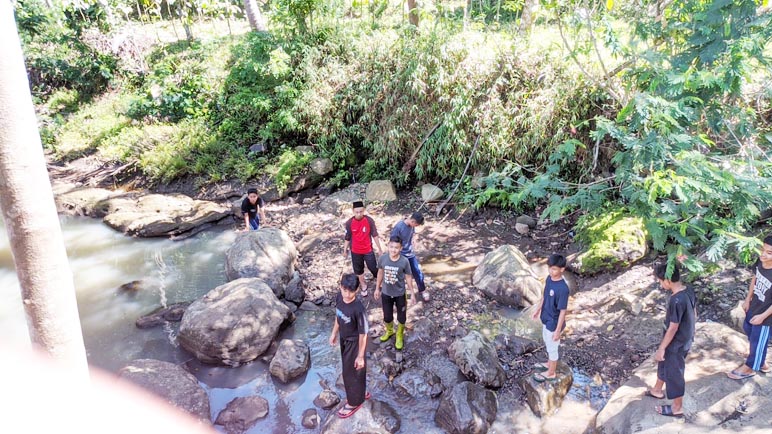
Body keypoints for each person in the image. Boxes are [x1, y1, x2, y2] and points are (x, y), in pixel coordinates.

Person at [646, 262, 696, 418]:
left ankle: (677, 407)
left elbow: (673, 327)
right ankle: (657, 389)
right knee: (664, 363)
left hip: (676, 342)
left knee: (675, 373)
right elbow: (694, 312)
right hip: (684, 337)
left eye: (660, 281)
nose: (660, 284)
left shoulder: (676, 300)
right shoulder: (688, 290)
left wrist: (662, 347)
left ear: (667, 280)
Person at [727, 234, 772, 380]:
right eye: (762, 250)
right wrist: (748, 299)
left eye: (769, 253)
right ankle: (761, 361)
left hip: (766, 316)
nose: (763, 255)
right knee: (750, 332)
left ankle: (750, 368)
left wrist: (763, 316)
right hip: (754, 306)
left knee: (758, 338)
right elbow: (755, 278)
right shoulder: (761, 263)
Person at [329, 273, 369, 418]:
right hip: (344, 339)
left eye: (350, 291)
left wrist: (360, 356)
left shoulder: (358, 309)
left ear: (356, 290)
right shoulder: (339, 298)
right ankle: (361, 392)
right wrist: (334, 333)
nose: (347, 294)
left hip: (355, 344)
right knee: (354, 370)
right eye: (344, 290)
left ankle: (354, 402)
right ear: (340, 287)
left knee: (349, 372)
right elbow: (338, 315)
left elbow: (363, 333)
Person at [530, 253, 570, 382]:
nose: (551, 271)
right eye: (550, 268)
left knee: (552, 348)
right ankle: (548, 364)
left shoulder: (563, 289)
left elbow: (563, 311)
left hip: (554, 323)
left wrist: (558, 331)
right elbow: (545, 296)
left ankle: (551, 373)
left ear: (562, 269)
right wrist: (538, 310)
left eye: (554, 269)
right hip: (546, 318)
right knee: (547, 342)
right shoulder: (549, 279)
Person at [374, 236, 416, 351]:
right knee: (387, 316)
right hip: (386, 293)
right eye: (391, 247)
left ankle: (399, 335)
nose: (393, 250)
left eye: (396, 248)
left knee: (401, 317)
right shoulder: (383, 259)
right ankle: (389, 331)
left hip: (399, 294)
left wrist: (412, 293)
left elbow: (408, 277)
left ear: (401, 248)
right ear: (388, 246)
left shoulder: (404, 261)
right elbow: (380, 273)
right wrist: (377, 288)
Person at [343, 201, 383, 297]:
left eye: (361, 211)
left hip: (368, 249)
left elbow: (374, 234)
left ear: (364, 210)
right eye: (357, 212)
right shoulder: (349, 223)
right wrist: (345, 250)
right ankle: (363, 285)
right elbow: (347, 237)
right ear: (353, 211)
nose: (359, 214)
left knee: (373, 267)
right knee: (358, 270)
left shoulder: (369, 221)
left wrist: (379, 248)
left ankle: (379, 282)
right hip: (355, 251)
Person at [390, 212, 429, 302]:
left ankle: (422, 289)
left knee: (417, 271)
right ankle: (399, 294)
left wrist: (414, 239)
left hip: (410, 253)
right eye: (416, 224)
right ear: (412, 221)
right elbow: (392, 241)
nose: (415, 226)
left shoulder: (412, 225)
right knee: (399, 274)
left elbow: (413, 233)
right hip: (400, 254)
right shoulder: (399, 227)